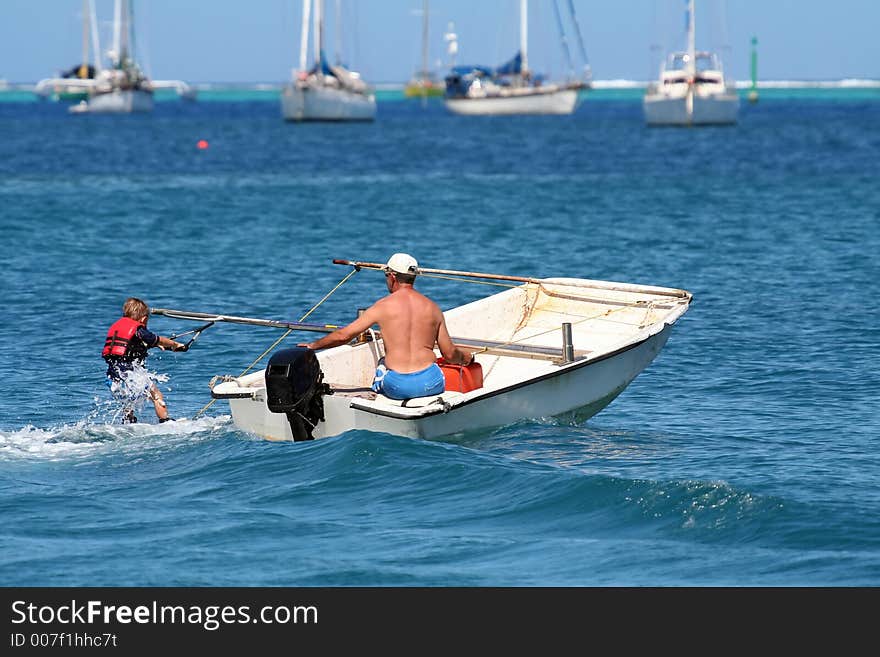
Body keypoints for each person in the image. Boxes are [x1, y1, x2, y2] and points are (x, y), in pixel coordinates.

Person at [299, 253, 474, 400]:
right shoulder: (433, 308)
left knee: (383, 363)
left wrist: (312, 346)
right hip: (431, 382)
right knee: (434, 366)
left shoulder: (382, 307)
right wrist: (468, 357)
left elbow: (344, 336)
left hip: (398, 386)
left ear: (392, 277)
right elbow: (450, 354)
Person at [102, 297, 185, 423]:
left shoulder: (118, 326)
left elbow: (133, 345)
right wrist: (175, 345)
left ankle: (129, 422)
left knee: (127, 402)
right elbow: (157, 339)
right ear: (144, 319)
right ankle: (166, 421)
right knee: (156, 396)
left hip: (113, 376)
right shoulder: (138, 329)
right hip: (131, 373)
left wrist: (155, 345)